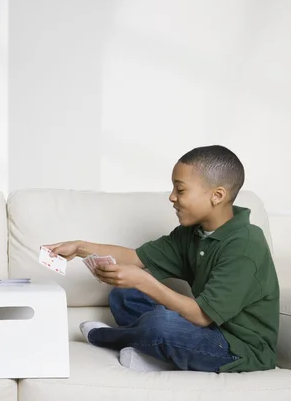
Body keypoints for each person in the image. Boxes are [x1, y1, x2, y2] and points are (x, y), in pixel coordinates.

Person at [46, 145, 279, 372]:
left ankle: (110, 338)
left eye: (181, 190)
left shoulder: (245, 246)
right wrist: (80, 248)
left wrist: (143, 281)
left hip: (237, 348)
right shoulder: (192, 232)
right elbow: (135, 257)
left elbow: (201, 316)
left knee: (162, 324)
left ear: (217, 195)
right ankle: (159, 354)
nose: (171, 197)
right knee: (124, 294)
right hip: (201, 330)